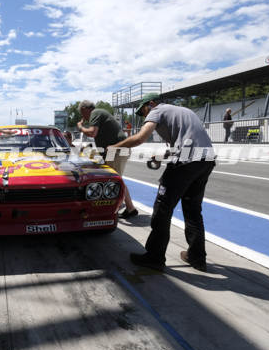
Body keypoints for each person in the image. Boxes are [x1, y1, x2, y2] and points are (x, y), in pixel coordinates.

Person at [112, 93, 215, 272]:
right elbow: (186, 142)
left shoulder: (157, 110)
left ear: (151, 104)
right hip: (206, 161)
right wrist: (163, 156)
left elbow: (140, 138)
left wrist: (114, 147)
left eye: (144, 111)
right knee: (193, 211)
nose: (144, 116)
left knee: (162, 210)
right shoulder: (183, 111)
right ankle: (197, 258)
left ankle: (155, 257)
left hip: (186, 163)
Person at [77, 100, 138, 219]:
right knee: (115, 179)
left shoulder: (95, 113)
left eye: (82, 113)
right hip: (115, 151)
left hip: (117, 150)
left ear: (85, 109)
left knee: (115, 180)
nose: (83, 117)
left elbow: (92, 133)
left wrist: (80, 127)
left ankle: (128, 208)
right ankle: (128, 207)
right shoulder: (99, 114)